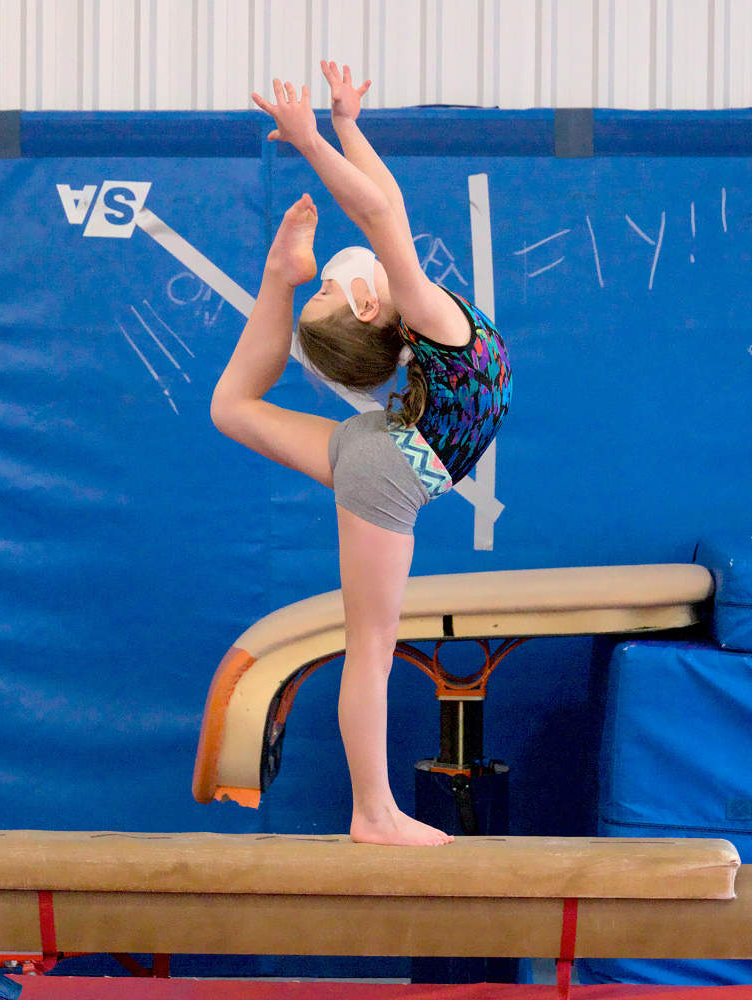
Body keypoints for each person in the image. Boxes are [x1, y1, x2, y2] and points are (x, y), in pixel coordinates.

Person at [210, 62, 512, 847]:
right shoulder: (424, 313)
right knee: (370, 646)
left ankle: (279, 278)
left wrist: (343, 129)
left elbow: (386, 205)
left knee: (232, 408)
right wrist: (315, 140)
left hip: (392, 455)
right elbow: (378, 209)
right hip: (394, 466)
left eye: (322, 290)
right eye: (324, 288)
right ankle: (372, 813)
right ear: (371, 305)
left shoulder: (420, 318)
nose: (351, 268)